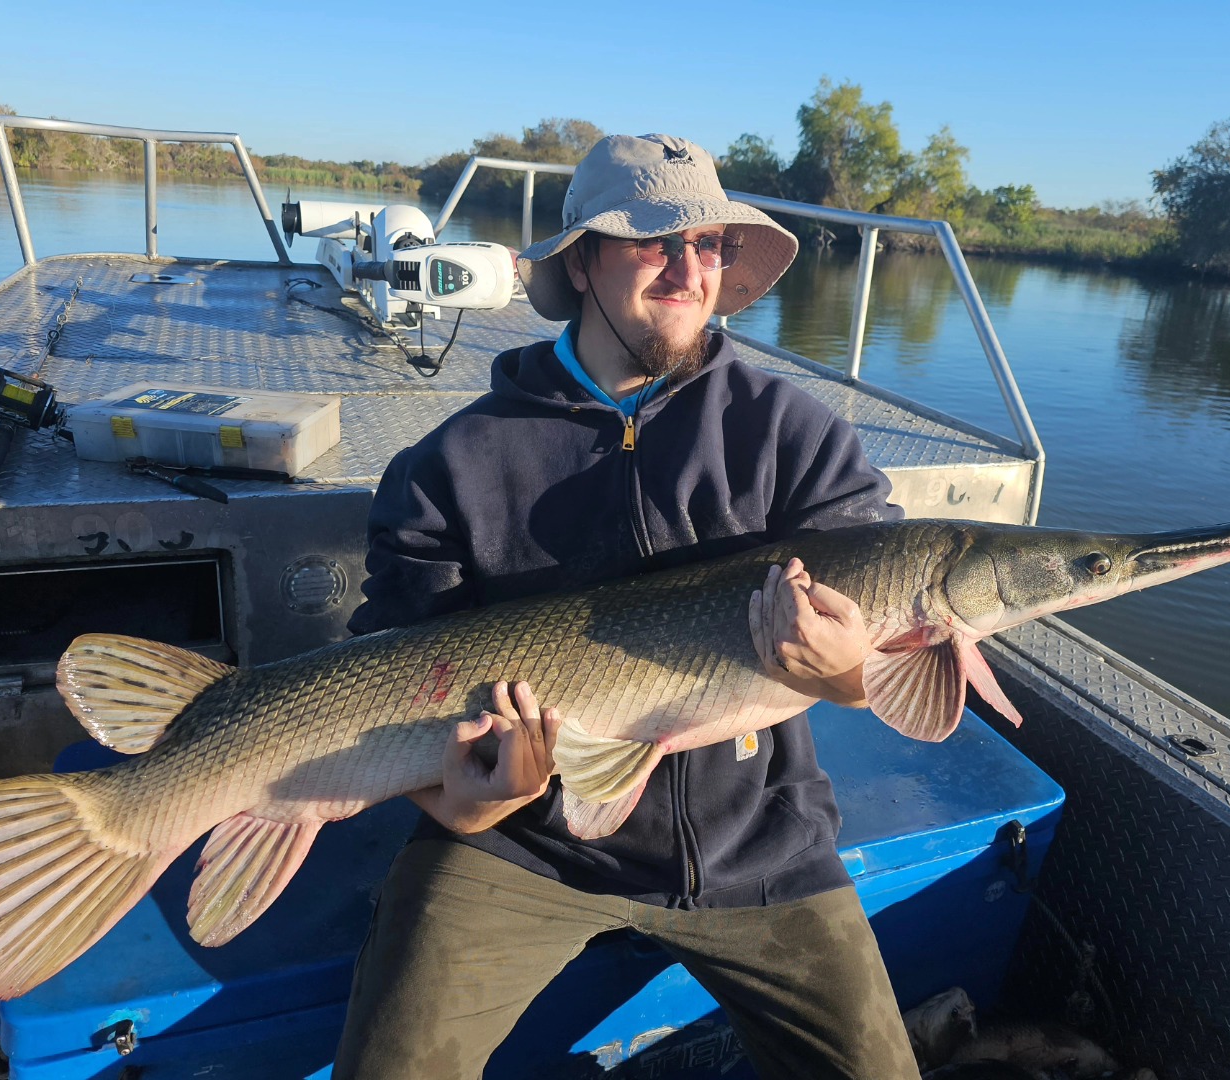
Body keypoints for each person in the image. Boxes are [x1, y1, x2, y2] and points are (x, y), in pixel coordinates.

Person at [333, 133, 919, 1080]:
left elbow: (878, 669)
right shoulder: (450, 464)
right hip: (524, 847)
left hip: (759, 844)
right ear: (581, 261)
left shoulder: (795, 434)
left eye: (710, 244)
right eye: (653, 242)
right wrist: (469, 806)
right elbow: (389, 680)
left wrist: (849, 674)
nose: (689, 271)